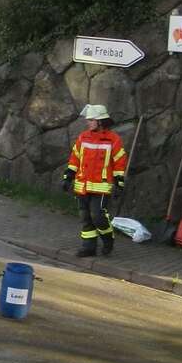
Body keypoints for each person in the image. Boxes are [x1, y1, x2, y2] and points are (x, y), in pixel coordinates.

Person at [62, 105, 128, 257]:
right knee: (86, 218)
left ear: (100, 121)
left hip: (101, 187)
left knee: (98, 216)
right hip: (82, 185)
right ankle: (89, 247)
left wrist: (119, 182)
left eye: (91, 120)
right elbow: (75, 158)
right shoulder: (83, 137)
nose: (88, 122)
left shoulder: (113, 140)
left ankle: (107, 239)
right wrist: (68, 177)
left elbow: (119, 161)